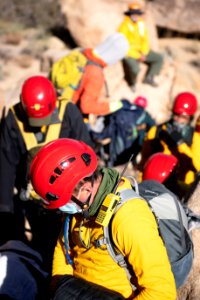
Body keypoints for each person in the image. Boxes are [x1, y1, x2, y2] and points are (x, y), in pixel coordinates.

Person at [30, 138, 176, 299]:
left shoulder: (129, 217)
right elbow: (63, 247)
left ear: (85, 188)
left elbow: (161, 292)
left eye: (65, 203)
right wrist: (59, 287)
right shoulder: (80, 207)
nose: (62, 209)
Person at [0, 75, 94, 272]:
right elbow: (6, 165)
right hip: (32, 199)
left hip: (68, 197)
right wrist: (5, 208)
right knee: (42, 243)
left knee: (67, 244)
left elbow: (86, 153)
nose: (39, 123)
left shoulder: (68, 111)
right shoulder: (13, 118)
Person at [50, 32, 129, 119]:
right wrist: (112, 106)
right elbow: (86, 107)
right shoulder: (96, 74)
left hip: (53, 99)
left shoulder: (81, 52)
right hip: (65, 113)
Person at [139, 91, 200, 186]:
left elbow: (197, 166)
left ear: (191, 118)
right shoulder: (156, 131)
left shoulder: (195, 137)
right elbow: (144, 160)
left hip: (182, 186)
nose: (179, 120)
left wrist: (181, 144)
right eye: (176, 115)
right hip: (156, 182)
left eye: (183, 117)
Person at [118, 2, 163, 90]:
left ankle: (149, 77)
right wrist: (138, 56)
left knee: (158, 58)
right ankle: (132, 83)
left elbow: (145, 40)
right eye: (133, 13)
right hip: (129, 53)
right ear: (129, 14)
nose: (135, 15)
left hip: (141, 51)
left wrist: (144, 52)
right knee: (135, 69)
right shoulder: (124, 27)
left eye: (137, 13)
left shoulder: (141, 24)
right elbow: (123, 46)